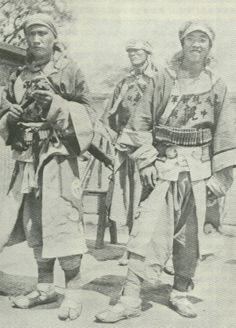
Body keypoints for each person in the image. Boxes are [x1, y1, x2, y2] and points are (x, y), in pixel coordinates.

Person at [96, 20, 236, 322]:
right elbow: (140, 123)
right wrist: (146, 160)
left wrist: (220, 178)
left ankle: (180, 293)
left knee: (191, 236)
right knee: (146, 233)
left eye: (203, 40)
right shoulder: (162, 78)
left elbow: (225, 131)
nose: (196, 45)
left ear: (210, 46)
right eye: (190, 39)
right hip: (164, 166)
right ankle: (131, 298)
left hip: (199, 171)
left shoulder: (218, 83)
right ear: (181, 43)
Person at [0, 14, 95, 321]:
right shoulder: (18, 74)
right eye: (31, 35)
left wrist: (57, 103)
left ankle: (73, 293)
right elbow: (5, 119)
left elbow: (88, 114)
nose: (36, 39)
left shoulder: (69, 69)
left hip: (58, 157)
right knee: (34, 223)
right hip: (27, 157)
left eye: (42, 33)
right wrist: (10, 116)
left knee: (63, 221)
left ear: (54, 37)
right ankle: (44, 288)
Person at [102, 40, 159, 265]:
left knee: (150, 200)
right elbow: (111, 114)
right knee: (128, 198)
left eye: (138, 50)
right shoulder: (125, 82)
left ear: (148, 52)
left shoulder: (158, 79)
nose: (134, 54)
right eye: (130, 51)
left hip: (151, 149)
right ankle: (130, 248)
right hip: (126, 147)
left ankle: (154, 251)